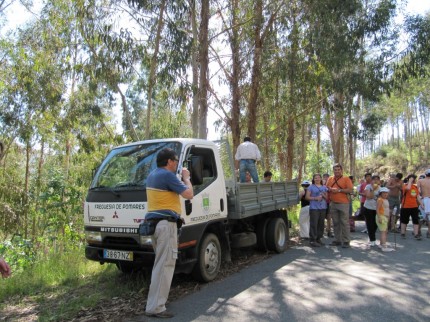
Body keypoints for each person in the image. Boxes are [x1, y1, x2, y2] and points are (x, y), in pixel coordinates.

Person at [144, 148, 193, 318]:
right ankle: (156, 307)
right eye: (176, 160)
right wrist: (186, 178)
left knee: (160, 265)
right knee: (165, 266)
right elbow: (189, 194)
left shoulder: (152, 175)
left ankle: (154, 303)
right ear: (169, 161)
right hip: (166, 226)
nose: (178, 163)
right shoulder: (167, 176)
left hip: (155, 226)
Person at [326, 164, 354, 248]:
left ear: (341, 170)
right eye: (335, 169)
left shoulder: (346, 179)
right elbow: (327, 188)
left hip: (343, 203)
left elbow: (350, 189)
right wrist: (330, 189)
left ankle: (346, 241)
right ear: (333, 170)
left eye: (338, 169)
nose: (337, 171)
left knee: (344, 222)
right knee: (335, 222)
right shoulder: (330, 179)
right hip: (333, 203)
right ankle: (337, 240)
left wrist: (339, 190)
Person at [305, 174, 328, 247]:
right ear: (313, 179)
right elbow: (307, 197)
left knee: (321, 224)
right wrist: (315, 198)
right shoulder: (310, 187)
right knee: (314, 224)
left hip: (323, 208)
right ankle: (312, 240)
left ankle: (319, 238)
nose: (317, 179)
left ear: (321, 179)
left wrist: (324, 196)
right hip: (314, 208)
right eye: (315, 178)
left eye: (318, 178)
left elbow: (327, 197)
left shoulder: (324, 187)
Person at [400, 174, 421, 240]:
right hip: (405, 206)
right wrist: (410, 181)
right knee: (404, 220)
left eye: (414, 179)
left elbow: (418, 197)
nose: (414, 180)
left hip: (414, 206)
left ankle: (416, 234)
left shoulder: (415, 187)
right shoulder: (405, 186)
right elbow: (408, 188)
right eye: (413, 178)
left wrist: (422, 204)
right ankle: (403, 233)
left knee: (415, 220)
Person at [363, 173, 381, 247]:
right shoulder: (368, 187)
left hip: (376, 209)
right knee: (370, 224)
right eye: (374, 179)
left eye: (377, 179)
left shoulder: (380, 188)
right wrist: (373, 189)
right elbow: (369, 196)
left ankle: (371, 237)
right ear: (371, 181)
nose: (376, 181)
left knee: (375, 224)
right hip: (368, 207)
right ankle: (372, 239)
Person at [376, 187, 394, 252]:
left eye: (386, 193)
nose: (385, 194)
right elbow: (377, 209)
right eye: (384, 193)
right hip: (381, 216)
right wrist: (379, 217)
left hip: (385, 217)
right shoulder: (380, 200)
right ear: (381, 193)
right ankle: (384, 245)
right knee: (383, 231)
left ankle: (381, 244)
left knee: (384, 231)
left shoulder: (385, 200)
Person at [417, 169, 430, 238]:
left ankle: (418, 231)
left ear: (425, 174)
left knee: (421, 217)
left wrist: (420, 201)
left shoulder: (420, 181)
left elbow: (416, 192)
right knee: (429, 217)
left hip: (424, 199)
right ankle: (429, 232)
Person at [322, 173, 333, 237]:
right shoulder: (321, 185)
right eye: (324, 178)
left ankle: (329, 231)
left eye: (327, 178)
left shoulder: (331, 185)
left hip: (329, 202)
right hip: (322, 203)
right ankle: (322, 231)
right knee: (322, 217)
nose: (326, 179)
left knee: (329, 217)